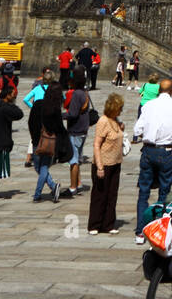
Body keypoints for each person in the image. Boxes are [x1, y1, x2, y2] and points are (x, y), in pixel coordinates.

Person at [132, 79, 172, 244]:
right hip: (166, 150)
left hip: (149, 150)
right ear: (171, 90)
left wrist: (148, 138)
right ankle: (158, 228)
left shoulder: (149, 105)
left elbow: (137, 129)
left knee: (144, 192)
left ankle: (140, 233)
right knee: (164, 191)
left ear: (158, 91)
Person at [87, 92, 126, 235]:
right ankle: (94, 224)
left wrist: (121, 128)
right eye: (119, 108)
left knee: (112, 195)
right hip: (103, 163)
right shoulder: (103, 121)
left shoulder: (115, 120)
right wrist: (100, 166)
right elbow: (96, 145)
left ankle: (108, 224)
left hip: (116, 163)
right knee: (99, 195)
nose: (121, 110)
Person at [33, 78, 70, 203]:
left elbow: (31, 122)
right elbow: (59, 128)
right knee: (42, 167)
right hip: (51, 142)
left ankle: (38, 194)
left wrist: (34, 138)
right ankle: (53, 187)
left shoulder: (39, 104)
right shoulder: (56, 109)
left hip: (38, 140)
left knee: (40, 167)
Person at [0, 81, 23, 200]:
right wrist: (13, 104)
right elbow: (19, 114)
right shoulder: (5, 108)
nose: (14, 96)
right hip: (1, 142)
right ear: (7, 95)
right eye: (13, 94)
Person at [64, 66, 91, 195]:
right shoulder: (85, 93)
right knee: (78, 157)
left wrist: (61, 115)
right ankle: (79, 183)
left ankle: (73, 187)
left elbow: (73, 114)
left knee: (73, 160)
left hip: (75, 129)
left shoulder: (76, 94)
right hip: (83, 129)